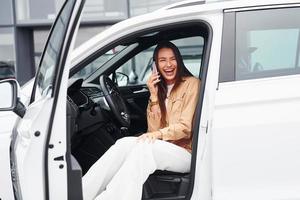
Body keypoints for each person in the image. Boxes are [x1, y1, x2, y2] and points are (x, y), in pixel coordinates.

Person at [82, 41, 200, 200]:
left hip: (186, 152)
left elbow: (185, 128)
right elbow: (152, 130)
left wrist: (157, 135)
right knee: (123, 144)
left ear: (179, 61)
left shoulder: (192, 84)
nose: (168, 64)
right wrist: (153, 95)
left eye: (172, 59)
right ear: (156, 65)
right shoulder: (160, 88)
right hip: (165, 148)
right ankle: (80, 193)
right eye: (162, 60)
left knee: (144, 150)